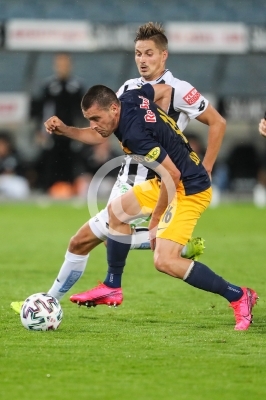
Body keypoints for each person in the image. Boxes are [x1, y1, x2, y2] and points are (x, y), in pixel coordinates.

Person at [11, 22, 223, 313]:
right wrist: (67, 130)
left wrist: (208, 166)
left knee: (83, 240)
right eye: (138, 53)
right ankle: (51, 301)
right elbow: (98, 132)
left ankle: (46, 303)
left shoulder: (180, 90)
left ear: (164, 56)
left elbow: (218, 123)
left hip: (158, 183)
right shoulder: (128, 89)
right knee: (90, 240)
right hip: (128, 179)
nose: (142, 60)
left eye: (149, 53)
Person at [69, 83, 258, 331]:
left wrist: (156, 220)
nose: (94, 125)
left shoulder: (134, 133)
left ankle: (238, 295)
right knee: (116, 212)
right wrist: (160, 124)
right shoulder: (131, 95)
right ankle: (112, 286)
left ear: (114, 108)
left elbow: (173, 174)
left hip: (189, 188)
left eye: (96, 118)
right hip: (166, 180)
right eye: (89, 120)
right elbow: (163, 88)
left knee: (165, 261)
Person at [32, 52, 87, 196]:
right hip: (52, 135)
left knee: (72, 165)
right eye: (60, 64)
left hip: (70, 134)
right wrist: (40, 132)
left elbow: (83, 113)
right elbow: (40, 111)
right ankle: (47, 192)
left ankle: (71, 192)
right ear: (55, 66)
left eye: (65, 64)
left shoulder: (77, 87)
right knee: (50, 164)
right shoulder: (48, 86)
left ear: (70, 65)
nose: (63, 67)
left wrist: (82, 132)